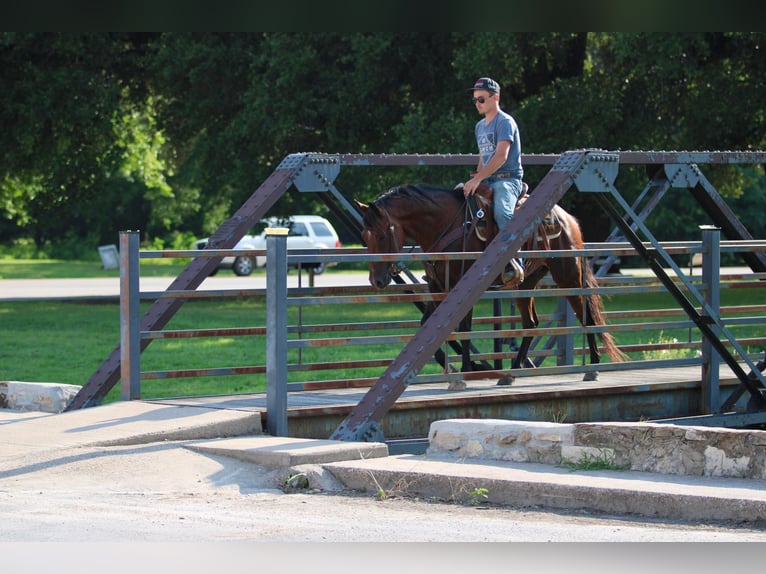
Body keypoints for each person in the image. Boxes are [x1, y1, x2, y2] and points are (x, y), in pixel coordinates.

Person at [462, 77, 525, 286]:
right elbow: (484, 158)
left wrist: (479, 178)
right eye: (475, 100)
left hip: (508, 179)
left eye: (481, 99)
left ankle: (515, 262)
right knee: (457, 199)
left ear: (495, 97)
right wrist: (475, 181)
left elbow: (501, 156)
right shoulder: (479, 126)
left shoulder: (505, 122)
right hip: (488, 179)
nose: (477, 104)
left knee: (502, 212)